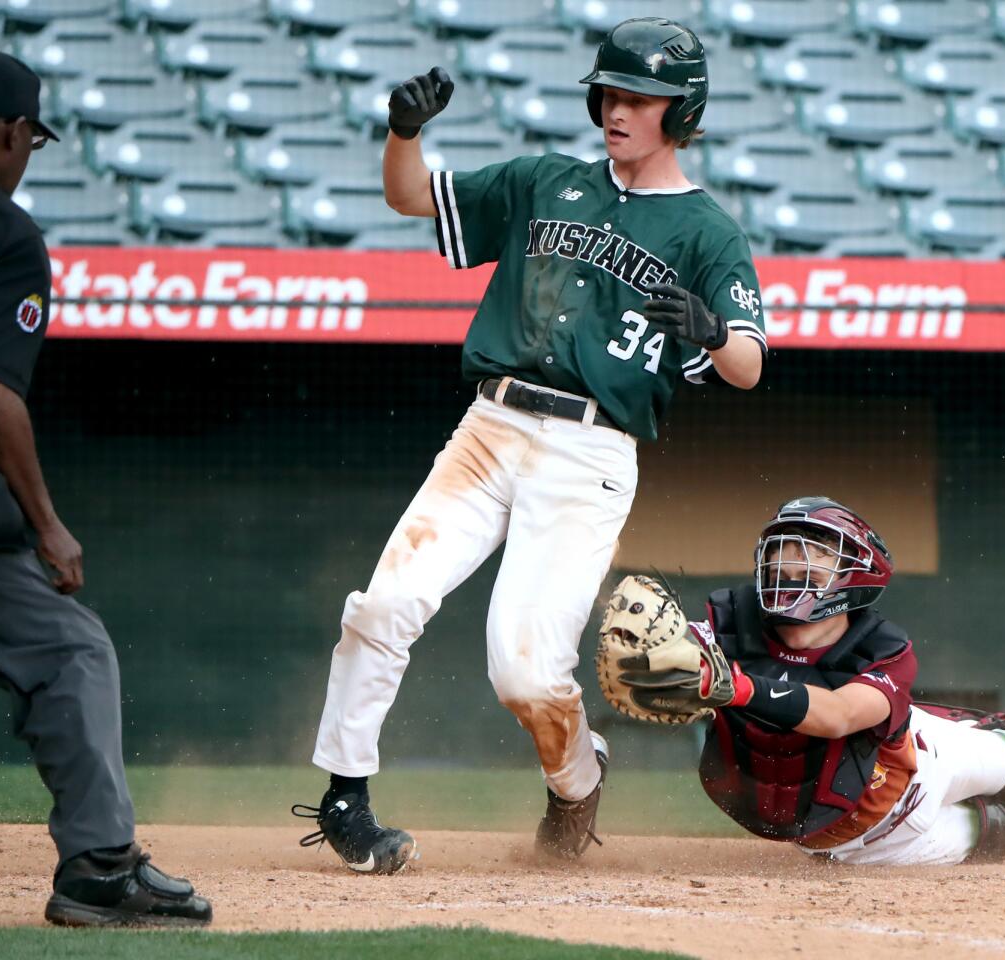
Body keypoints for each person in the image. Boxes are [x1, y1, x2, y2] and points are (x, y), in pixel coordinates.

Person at [294, 17, 767, 874]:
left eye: (640, 98)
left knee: (524, 672)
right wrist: (404, 132)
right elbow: (409, 198)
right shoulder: (544, 181)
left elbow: (747, 366)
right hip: (491, 426)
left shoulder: (707, 232)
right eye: (610, 94)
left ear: (682, 112)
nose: (617, 109)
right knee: (382, 606)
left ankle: (575, 782)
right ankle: (344, 797)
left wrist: (709, 328)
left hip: (591, 454)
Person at [0, 49, 211, 926]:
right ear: (12, 133)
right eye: (30, 143)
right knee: (70, 652)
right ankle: (99, 867)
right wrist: (46, 524)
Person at [609, 496, 1005, 865]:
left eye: (809, 570)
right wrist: (650, 649)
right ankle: (1001, 821)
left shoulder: (881, 647)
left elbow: (839, 715)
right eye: (781, 566)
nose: (789, 577)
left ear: (851, 580)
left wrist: (737, 687)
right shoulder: (730, 622)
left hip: (922, 769)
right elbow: (674, 650)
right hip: (881, 840)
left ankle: (996, 744)